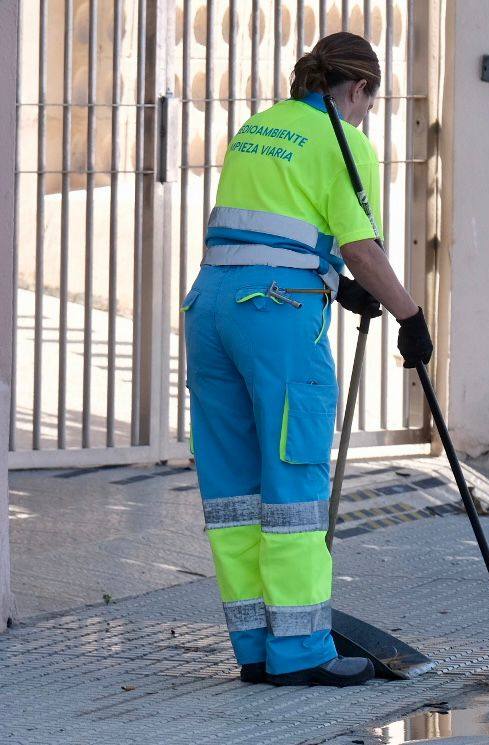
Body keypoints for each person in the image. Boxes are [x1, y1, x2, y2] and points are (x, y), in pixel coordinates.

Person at [181, 32, 433, 687]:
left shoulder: (259, 126)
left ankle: (255, 649)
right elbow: (363, 247)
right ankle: (300, 651)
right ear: (359, 89)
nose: (367, 115)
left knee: (234, 492)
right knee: (293, 489)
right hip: (276, 317)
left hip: (210, 307)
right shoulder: (347, 142)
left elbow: (269, 225)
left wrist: (337, 285)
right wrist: (409, 316)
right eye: (370, 102)